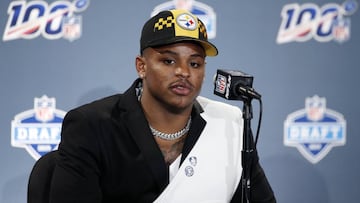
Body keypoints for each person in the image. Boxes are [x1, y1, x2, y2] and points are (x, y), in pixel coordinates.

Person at [48, 9, 276, 202]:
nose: (184, 72)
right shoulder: (91, 126)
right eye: (168, 60)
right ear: (142, 66)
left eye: (195, 63)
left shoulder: (229, 125)